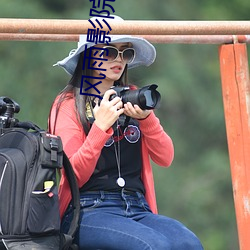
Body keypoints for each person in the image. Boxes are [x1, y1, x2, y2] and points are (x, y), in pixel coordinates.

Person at [49, 15, 203, 250]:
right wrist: (99, 129)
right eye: (109, 52)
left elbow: (166, 157)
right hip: (89, 209)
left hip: (137, 206)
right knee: (154, 245)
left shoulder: (131, 95)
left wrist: (147, 119)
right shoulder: (69, 103)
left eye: (126, 53)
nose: (119, 59)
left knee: (189, 243)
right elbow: (73, 174)